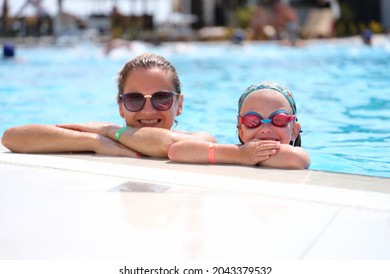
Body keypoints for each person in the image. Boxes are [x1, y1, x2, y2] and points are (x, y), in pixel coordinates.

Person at [1, 53, 216, 158]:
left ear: (179, 104)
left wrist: (107, 131)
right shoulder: (105, 138)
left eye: (161, 98)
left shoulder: (199, 139)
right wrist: (94, 141)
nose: (148, 110)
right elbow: (12, 137)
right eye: (134, 99)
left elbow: (168, 146)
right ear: (121, 106)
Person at [168, 81, 310, 169]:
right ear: (240, 130)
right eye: (253, 121)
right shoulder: (237, 152)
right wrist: (240, 154)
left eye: (278, 120)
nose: (265, 130)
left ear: (294, 130)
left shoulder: (296, 155)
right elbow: (176, 151)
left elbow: (297, 158)